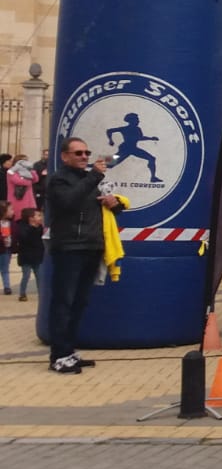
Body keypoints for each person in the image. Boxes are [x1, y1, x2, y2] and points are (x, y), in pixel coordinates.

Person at [45, 138, 121, 374]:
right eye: (78, 153)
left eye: (87, 152)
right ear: (65, 156)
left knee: (79, 302)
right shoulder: (59, 179)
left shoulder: (88, 179)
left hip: (92, 246)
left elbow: (98, 206)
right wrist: (94, 177)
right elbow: (68, 202)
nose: (84, 157)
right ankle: (58, 355)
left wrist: (113, 203)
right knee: (63, 302)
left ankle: (69, 351)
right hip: (69, 247)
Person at [14, 207, 43, 302]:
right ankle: (22, 293)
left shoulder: (39, 227)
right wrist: (32, 228)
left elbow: (39, 242)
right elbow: (25, 239)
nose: (41, 218)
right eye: (38, 216)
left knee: (39, 275)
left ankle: (41, 293)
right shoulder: (22, 227)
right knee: (26, 275)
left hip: (37, 256)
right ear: (31, 218)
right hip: (26, 256)